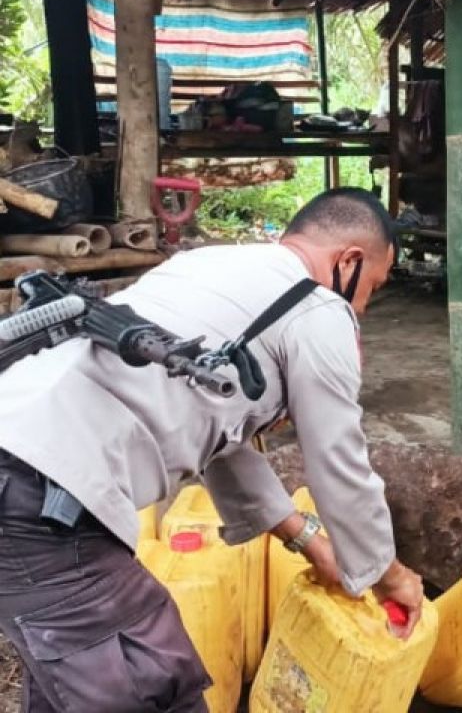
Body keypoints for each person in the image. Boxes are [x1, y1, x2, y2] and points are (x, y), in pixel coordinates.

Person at [0, 187, 424, 712]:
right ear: (350, 260)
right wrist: (388, 574)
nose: (361, 308)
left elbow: (220, 439)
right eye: (371, 290)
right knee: (152, 682)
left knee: (71, 684)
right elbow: (339, 458)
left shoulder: (209, 265)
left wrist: (308, 540)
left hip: (23, 470)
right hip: (39, 496)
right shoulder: (318, 308)